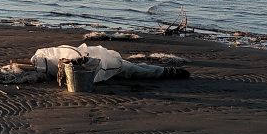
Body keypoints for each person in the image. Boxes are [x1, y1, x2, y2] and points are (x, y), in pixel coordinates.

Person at [31, 43, 189, 81]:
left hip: (111, 64)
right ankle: (166, 71)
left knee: (135, 69)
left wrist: (83, 60)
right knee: (135, 69)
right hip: (105, 65)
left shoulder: (51, 60)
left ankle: (168, 71)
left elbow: (92, 60)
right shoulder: (50, 65)